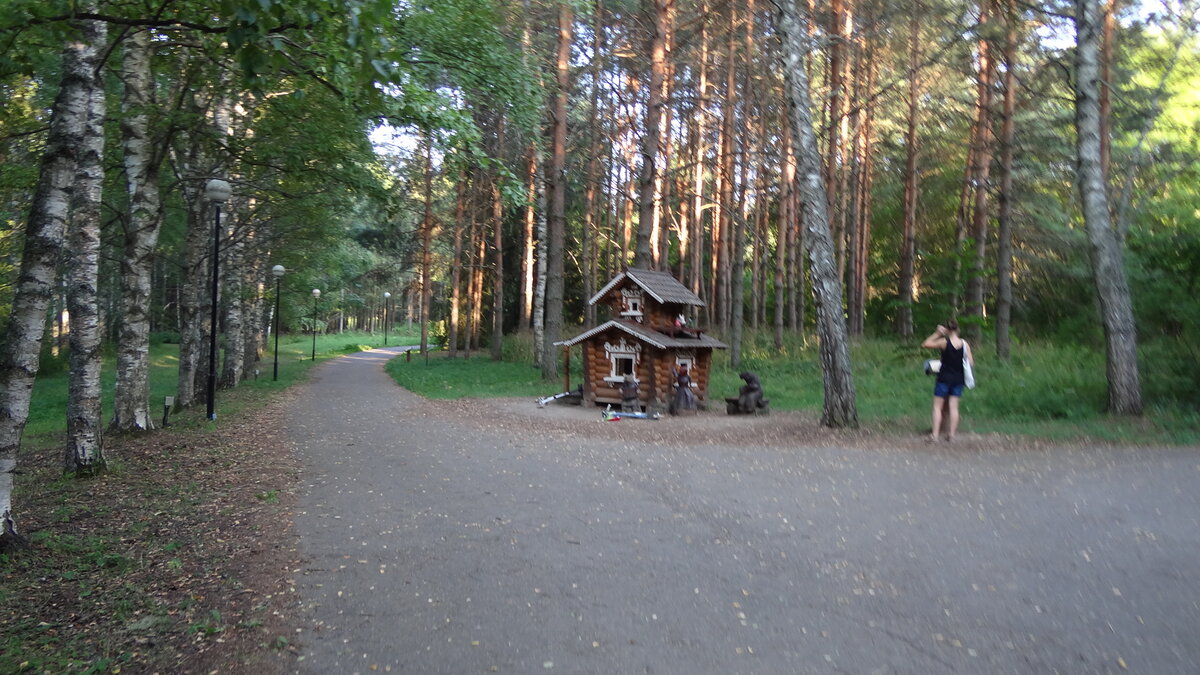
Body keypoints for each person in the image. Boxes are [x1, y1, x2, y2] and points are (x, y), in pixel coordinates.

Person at [921, 320, 973, 442]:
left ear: (947, 330)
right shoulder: (965, 344)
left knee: (937, 407)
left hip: (944, 378)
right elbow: (971, 362)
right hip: (958, 379)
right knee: (954, 407)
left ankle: (935, 435)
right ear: (958, 329)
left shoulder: (944, 342)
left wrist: (937, 333)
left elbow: (925, 344)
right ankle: (951, 435)